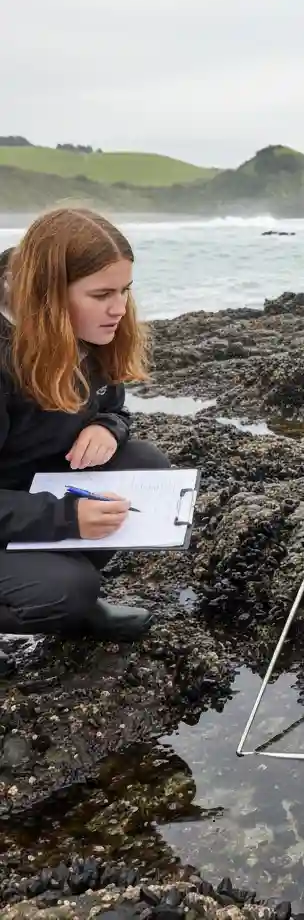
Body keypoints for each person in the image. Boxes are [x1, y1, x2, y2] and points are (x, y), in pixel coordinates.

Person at [0, 208, 171, 674]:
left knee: (143, 465)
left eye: (124, 291)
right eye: (102, 294)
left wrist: (106, 427)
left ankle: (66, 595)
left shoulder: (84, 330)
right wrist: (65, 517)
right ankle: (61, 595)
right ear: (47, 295)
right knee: (64, 591)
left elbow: (112, 404)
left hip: (27, 499)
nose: (119, 308)